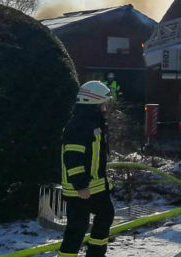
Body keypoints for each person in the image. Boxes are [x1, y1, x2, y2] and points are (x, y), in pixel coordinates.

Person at [58, 81, 116, 257]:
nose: (105, 108)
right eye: (103, 104)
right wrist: (81, 185)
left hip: (95, 187)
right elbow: (73, 159)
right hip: (81, 189)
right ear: (93, 103)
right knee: (77, 229)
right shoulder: (79, 126)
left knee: (106, 215)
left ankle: (96, 254)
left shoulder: (93, 123)